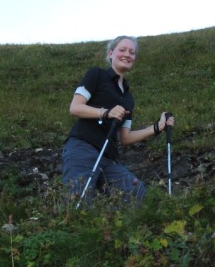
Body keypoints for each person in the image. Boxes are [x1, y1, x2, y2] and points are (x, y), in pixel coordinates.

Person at [62, 35, 174, 204]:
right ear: (111, 53)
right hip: (82, 147)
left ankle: (113, 229)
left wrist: (158, 127)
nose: (127, 55)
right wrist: (106, 113)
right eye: (122, 50)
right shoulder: (96, 75)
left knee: (135, 191)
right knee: (78, 199)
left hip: (109, 157)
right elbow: (75, 108)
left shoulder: (128, 98)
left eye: (132, 52)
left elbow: (125, 138)